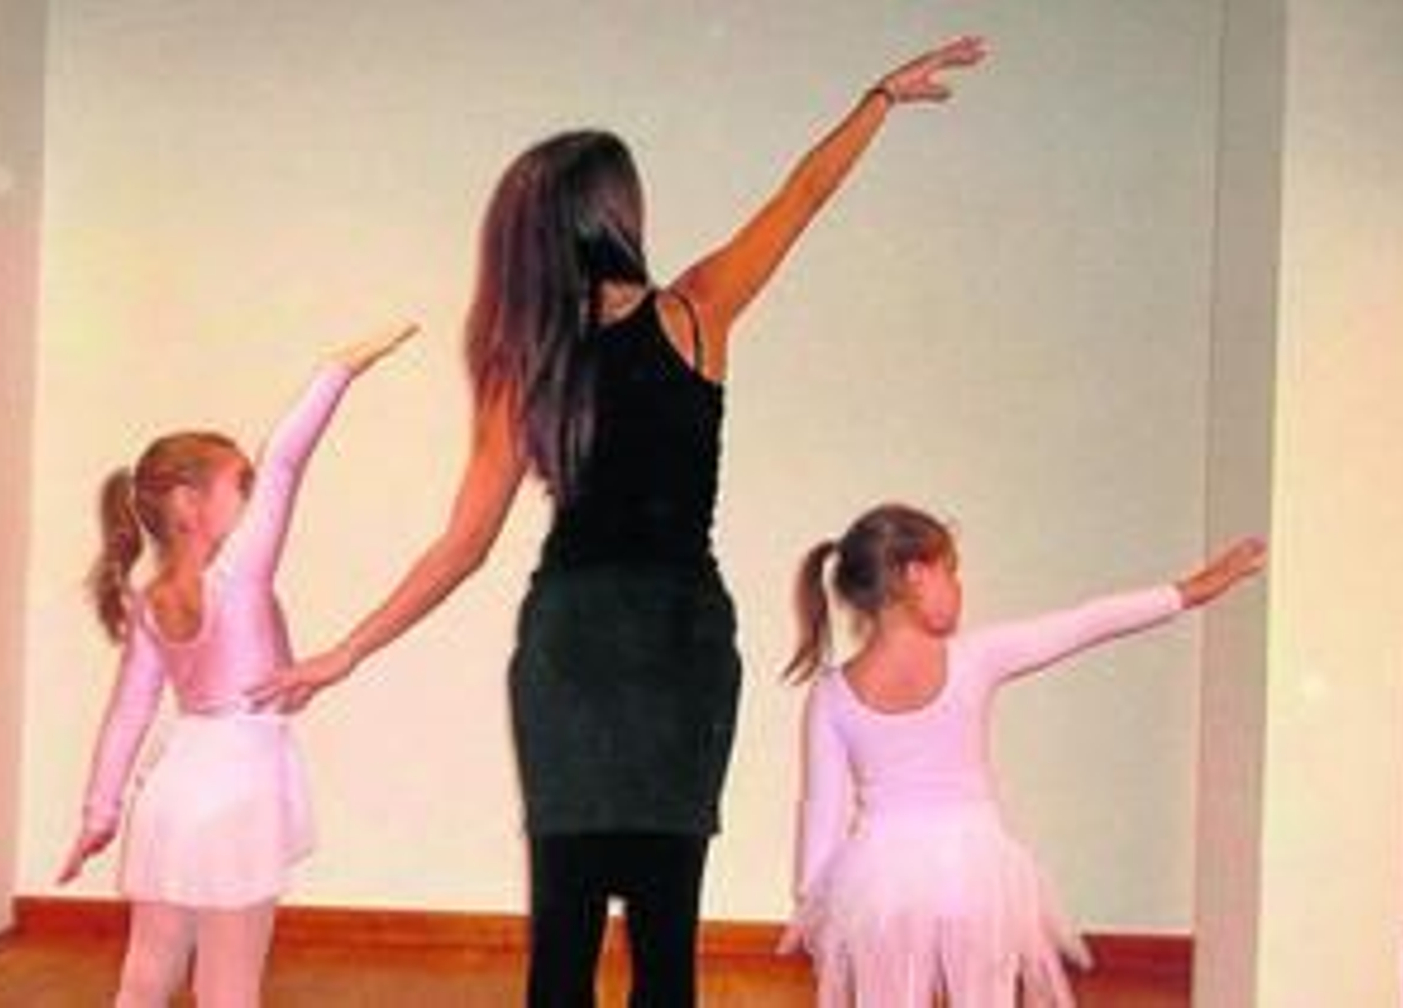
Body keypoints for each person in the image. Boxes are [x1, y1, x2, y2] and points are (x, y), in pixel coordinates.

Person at [248, 36, 987, 1007]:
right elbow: (798, 199)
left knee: (588, 939)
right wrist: (876, 102)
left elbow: (463, 544)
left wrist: (876, 103)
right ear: (613, 217)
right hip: (649, 644)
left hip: (612, 645)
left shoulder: (572, 348)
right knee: (646, 940)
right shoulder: (679, 318)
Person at [779, 503, 1266, 1007]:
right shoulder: (974, 656)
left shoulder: (832, 693)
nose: (960, 587)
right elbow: (1085, 623)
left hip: (881, 882)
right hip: (975, 868)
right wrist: (1190, 590)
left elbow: (821, 810)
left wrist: (817, 908)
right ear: (915, 573)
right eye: (952, 571)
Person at [56, 324, 415, 1008]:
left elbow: (128, 716)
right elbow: (283, 462)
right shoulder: (237, 578)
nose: (254, 501)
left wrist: (99, 813)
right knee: (230, 986)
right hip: (238, 794)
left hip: (173, 790)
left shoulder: (148, 600)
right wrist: (338, 369)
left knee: (146, 974)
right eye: (239, 487)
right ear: (191, 506)